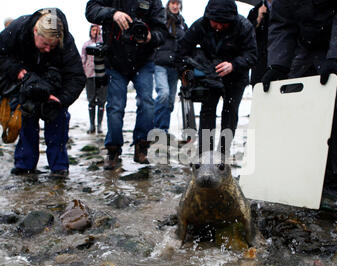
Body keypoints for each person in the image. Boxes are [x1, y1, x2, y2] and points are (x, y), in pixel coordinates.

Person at [262, 0, 337, 211]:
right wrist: (278, 64)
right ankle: (295, 173)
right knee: (290, 93)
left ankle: (333, 186)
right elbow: (282, 24)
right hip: (311, 39)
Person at [0, 8, 86, 177]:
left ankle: (59, 168)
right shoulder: (18, 29)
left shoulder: (66, 42)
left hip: (54, 90)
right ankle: (25, 165)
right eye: (45, 44)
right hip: (25, 85)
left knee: (58, 122)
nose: (48, 49)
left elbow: (77, 77)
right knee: (26, 120)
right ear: (35, 32)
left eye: (52, 46)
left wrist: (60, 100)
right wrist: (16, 70)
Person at [86, 0, 167, 168]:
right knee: (115, 106)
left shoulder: (153, 2)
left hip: (143, 60)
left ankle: (141, 146)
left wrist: (151, 37)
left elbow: (162, 31)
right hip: (115, 59)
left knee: (147, 102)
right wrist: (113, 14)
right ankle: (113, 150)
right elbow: (91, 10)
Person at [177, 0, 257, 158]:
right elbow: (182, 50)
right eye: (216, 22)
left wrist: (233, 65)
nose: (219, 26)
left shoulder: (244, 26)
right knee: (207, 111)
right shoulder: (200, 25)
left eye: (223, 23)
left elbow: (252, 55)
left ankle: (223, 153)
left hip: (236, 75)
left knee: (230, 111)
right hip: (210, 75)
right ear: (208, 17)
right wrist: (188, 71)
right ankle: (205, 154)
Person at [154, 0, 187, 135]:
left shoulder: (183, 24)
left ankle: (163, 129)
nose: (175, 6)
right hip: (160, 63)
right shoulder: (161, 20)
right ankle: (158, 128)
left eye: (177, 3)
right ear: (168, 4)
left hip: (174, 67)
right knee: (164, 94)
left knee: (170, 102)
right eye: (172, 3)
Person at [81, 24, 107, 134]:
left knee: (102, 100)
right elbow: (83, 59)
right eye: (93, 30)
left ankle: (99, 125)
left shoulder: (104, 43)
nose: (95, 32)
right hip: (90, 75)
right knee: (91, 100)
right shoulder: (86, 45)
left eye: (97, 29)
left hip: (102, 75)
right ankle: (92, 125)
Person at [247, 0, 272, 87]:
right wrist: (259, 18)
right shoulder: (255, 10)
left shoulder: (285, 8)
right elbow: (248, 35)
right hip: (261, 61)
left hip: (279, 59)